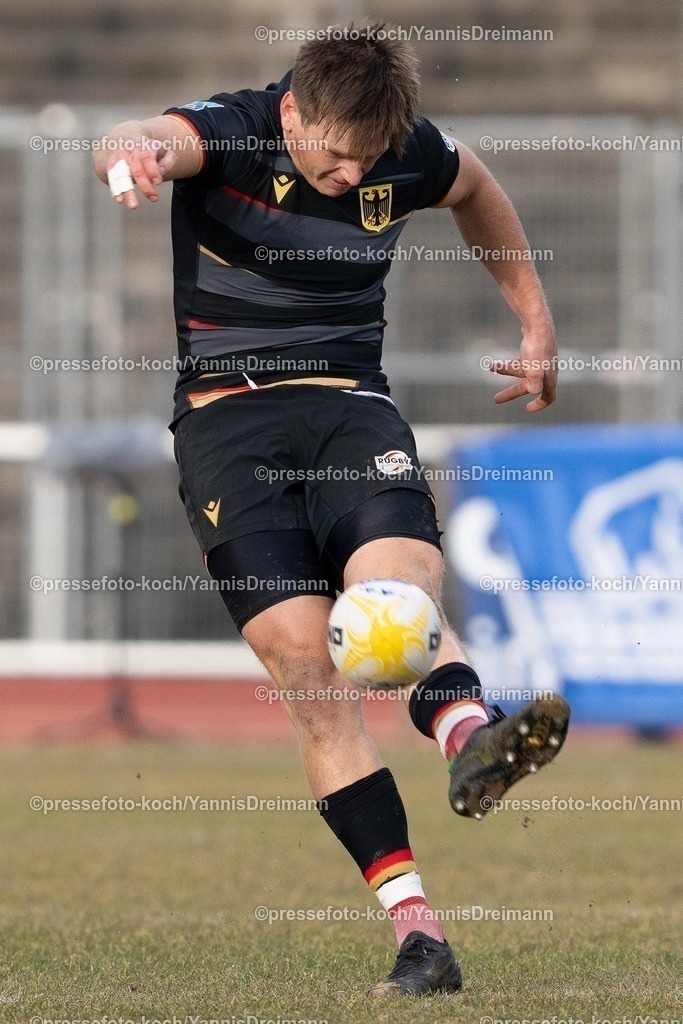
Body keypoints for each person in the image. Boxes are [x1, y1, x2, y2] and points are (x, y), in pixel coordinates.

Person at [94, 21, 570, 998]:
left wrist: (533, 319)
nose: (354, 176)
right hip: (228, 423)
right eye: (334, 154)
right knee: (309, 668)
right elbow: (153, 134)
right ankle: (419, 936)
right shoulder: (232, 133)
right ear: (294, 110)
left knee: (398, 586)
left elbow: (474, 185)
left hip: (349, 405)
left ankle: (468, 740)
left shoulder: (401, 147)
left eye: (368, 159)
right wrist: (129, 152)